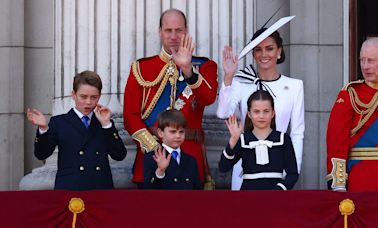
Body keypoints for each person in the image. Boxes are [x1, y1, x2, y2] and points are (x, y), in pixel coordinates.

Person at [123, 8, 218, 189]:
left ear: (186, 31)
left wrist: (188, 70)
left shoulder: (205, 66)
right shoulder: (141, 68)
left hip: (190, 157)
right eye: (168, 30)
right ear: (160, 32)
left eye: (179, 30)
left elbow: (208, 98)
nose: (173, 35)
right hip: (151, 158)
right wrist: (154, 147)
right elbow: (130, 116)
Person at [216, 28, 304, 190]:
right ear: (253, 54)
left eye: (269, 48)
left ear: (279, 51)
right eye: (258, 49)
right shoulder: (242, 81)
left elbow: (297, 133)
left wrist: (291, 174)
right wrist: (228, 77)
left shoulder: (294, 86)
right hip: (245, 168)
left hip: (278, 171)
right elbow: (223, 113)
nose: (264, 54)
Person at [27, 70, 127, 190]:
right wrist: (43, 128)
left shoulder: (103, 122)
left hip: (100, 188)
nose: (88, 102)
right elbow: (41, 153)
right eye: (83, 97)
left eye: (94, 97)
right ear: (73, 95)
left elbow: (119, 155)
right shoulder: (59, 122)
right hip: (70, 189)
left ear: (99, 96)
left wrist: (107, 125)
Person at [326, 37, 378, 192]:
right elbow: (336, 140)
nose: (365, 66)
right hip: (363, 178)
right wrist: (338, 183)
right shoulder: (351, 94)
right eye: (362, 60)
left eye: (371, 61)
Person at [219, 90, 298, 190]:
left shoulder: (283, 139)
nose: (261, 116)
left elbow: (293, 174)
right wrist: (233, 140)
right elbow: (223, 167)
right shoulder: (243, 140)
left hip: (276, 198)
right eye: (256, 111)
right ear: (249, 114)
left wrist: (280, 189)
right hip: (248, 198)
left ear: (273, 113)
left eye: (266, 111)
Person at [143, 109, 202, 190]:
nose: (178, 136)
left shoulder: (191, 160)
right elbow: (148, 190)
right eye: (173, 132)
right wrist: (160, 171)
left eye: (181, 132)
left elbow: (197, 191)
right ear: (160, 133)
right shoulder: (153, 157)